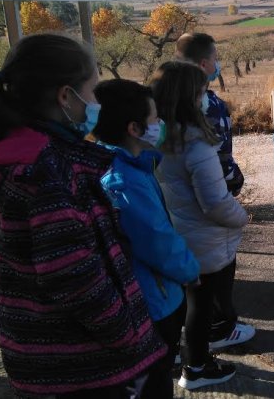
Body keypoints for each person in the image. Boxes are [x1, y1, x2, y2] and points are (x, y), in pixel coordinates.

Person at [0, 34, 166, 398]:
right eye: (92, 92)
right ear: (66, 97)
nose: (96, 103)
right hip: (82, 368)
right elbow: (72, 277)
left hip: (45, 356)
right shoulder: (47, 172)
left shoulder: (23, 158)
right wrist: (129, 334)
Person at [94, 79, 201, 398]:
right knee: (152, 382)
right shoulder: (123, 180)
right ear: (135, 129)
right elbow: (157, 241)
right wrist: (190, 270)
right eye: (155, 119)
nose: (161, 125)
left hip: (153, 296)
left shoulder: (130, 167)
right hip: (153, 302)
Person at [151, 61, 250, 388]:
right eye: (202, 91)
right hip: (205, 240)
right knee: (202, 306)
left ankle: (181, 357)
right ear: (191, 97)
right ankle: (196, 368)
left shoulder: (160, 137)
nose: (206, 97)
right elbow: (215, 203)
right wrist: (241, 217)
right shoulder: (196, 143)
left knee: (185, 302)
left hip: (179, 232)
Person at [176, 33, 244, 196]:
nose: (217, 64)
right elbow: (221, 157)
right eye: (215, 59)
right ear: (203, 64)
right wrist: (236, 181)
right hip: (208, 193)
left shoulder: (161, 98)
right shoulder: (211, 105)